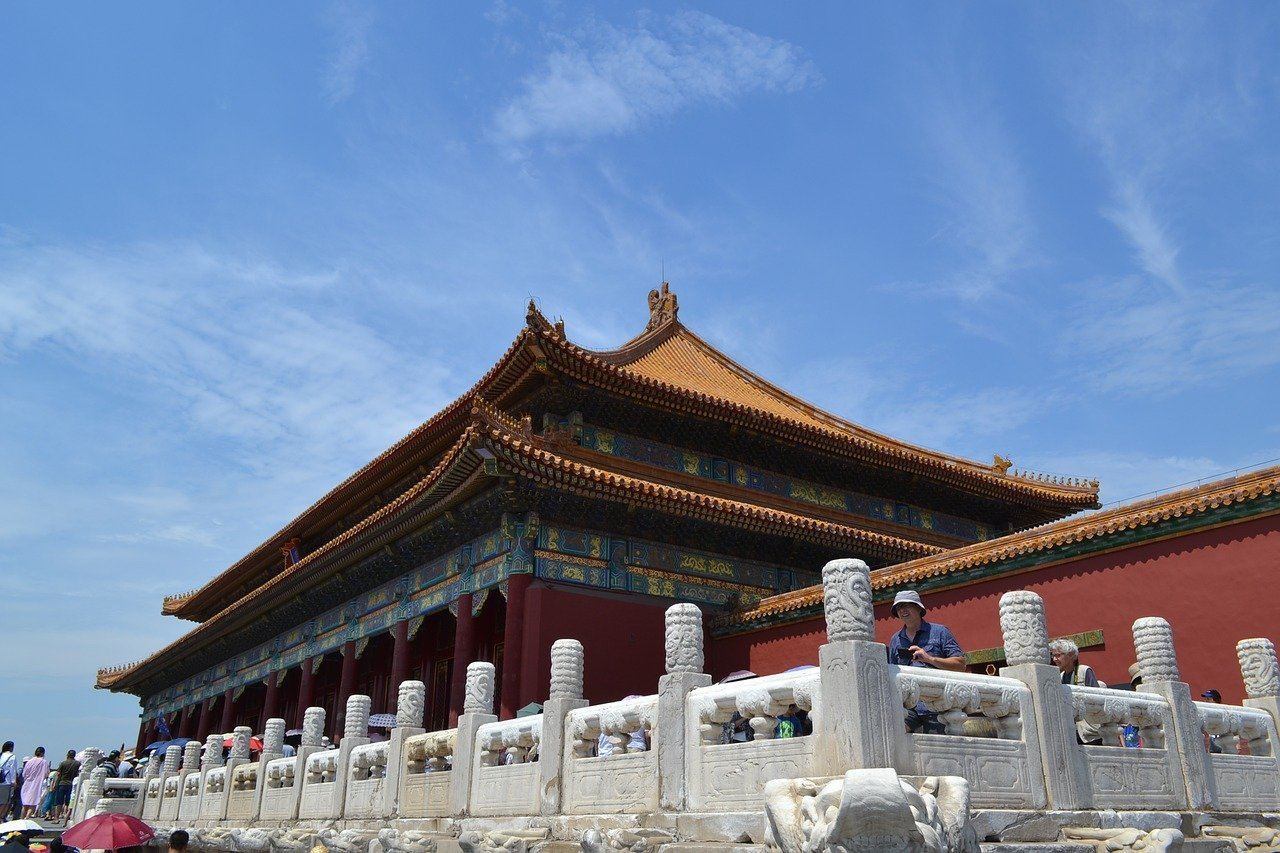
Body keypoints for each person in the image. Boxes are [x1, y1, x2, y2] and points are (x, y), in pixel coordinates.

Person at [886, 590, 966, 734]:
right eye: (899, 607)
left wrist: (929, 658)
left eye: (907, 605)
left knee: (936, 749)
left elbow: (960, 664)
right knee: (893, 735)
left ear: (919, 608)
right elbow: (891, 672)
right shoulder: (895, 640)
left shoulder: (940, 632)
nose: (903, 610)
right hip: (908, 706)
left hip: (936, 705)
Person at [1049, 639, 1104, 745]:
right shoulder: (1060, 677)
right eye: (1053, 655)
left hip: (1089, 732)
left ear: (1071, 655)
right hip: (1071, 731)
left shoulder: (1084, 671)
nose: (1055, 659)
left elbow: (1097, 699)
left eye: (1058, 655)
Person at [20, 747, 50, 818]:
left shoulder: (29, 761)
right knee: (33, 803)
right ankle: (27, 818)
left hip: (27, 783)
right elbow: (46, 774)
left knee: (25, 803)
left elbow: (24, 774)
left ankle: (21, 819)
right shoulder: (44, 762)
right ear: (43, 753)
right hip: (37, 784)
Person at [54, 750, 79, 824]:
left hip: (62, 783)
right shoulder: (77, 763)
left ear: (67, 755)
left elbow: (58, 774)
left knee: (59, 802)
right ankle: (67, 818)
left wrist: (55, 784)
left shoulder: (63, 763)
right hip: (71, 784)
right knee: (68, 802)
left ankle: (56, 818)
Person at [0, 742, 16, 821]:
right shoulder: (12, 756)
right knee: (5, 801)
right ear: (11, 747)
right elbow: (12, 770)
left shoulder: (1, 755)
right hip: (6, 781)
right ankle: (1, 817)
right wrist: (14, 781)